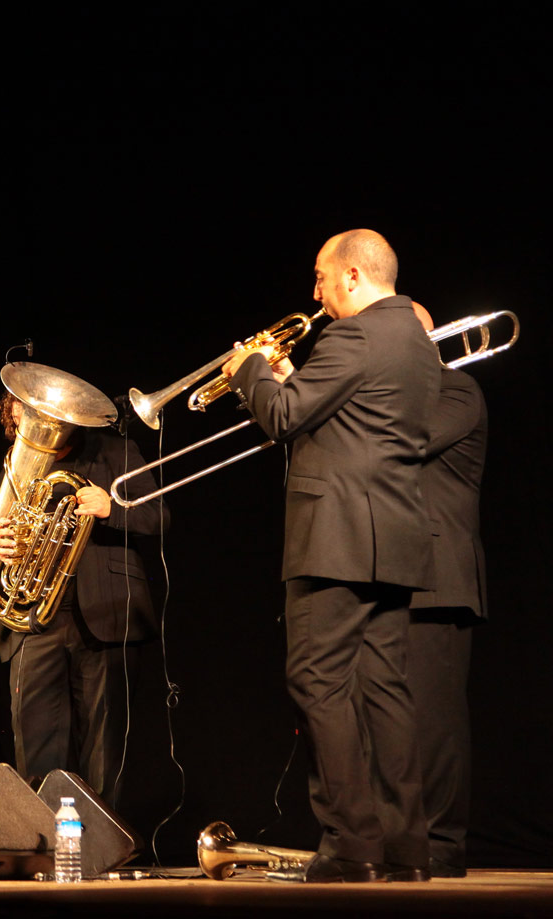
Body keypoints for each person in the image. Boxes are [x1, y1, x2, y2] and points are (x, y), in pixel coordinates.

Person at [221, 229, 440, 883]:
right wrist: (289, 379)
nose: (314, 292)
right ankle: (405, 846)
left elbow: (282, 419)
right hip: (393, 537)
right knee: (385, 691)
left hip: (337, 539)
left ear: (351, 275)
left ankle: (352, 841)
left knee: (317, 681)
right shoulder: (416, 341)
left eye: (320, 276)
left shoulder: (354, 335)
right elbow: (352, 417)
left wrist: (251, 370)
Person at [0, 394, 168, 804]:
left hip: (105, 616)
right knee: (35, 752)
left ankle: (101, 841)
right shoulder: (16, 465)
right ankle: (44, 838)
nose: (36, 418)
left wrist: (112, 508)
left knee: (104, 753)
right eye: (24, 410)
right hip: (34, 622)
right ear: (13, 416)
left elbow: (158, 515)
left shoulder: (115, 451)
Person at [408, 303, 489, 878]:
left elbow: (401, 441)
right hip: (382, 570)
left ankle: (441, 843)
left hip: (438, 575)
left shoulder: (457, 390)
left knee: (432, 721)